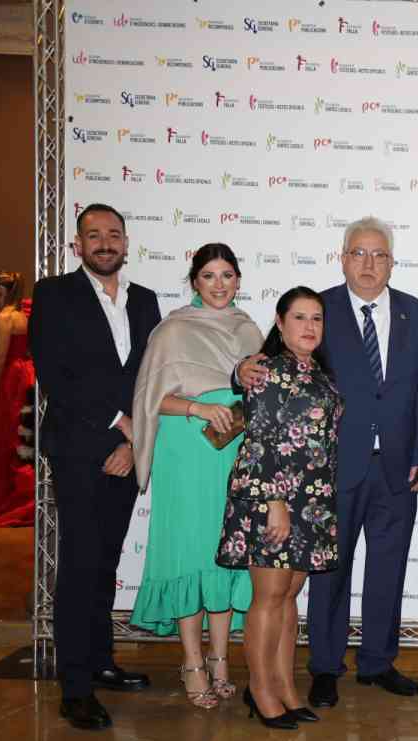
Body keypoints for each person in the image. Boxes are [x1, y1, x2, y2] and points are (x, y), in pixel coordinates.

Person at [241, 217, 418, 706]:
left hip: (398, 466)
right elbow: (272, 362)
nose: (369, 264)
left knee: (389, 568)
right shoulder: (319, 309)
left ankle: (378, 661)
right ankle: (325, 666)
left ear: (392, 262)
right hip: (329, 469)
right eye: (359, 253)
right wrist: (237, 370)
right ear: (343, 258)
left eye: (379, 255)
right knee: (329, 570)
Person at [29, 203, 161, 730]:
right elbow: (55, 374)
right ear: (77, 245)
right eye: (94, 235)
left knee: (106, 562)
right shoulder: (53, 295)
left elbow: (151, 376)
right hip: (79, 450)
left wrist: (135, 439)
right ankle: (75, 686)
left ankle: (102, 660)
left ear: (126, 243)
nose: (105, 243)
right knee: (80, 565)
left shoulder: (145, 300)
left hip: (128, 450)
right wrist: (119, 423)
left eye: (113, 234)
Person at [128, 244, 263, 709]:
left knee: (225, 555)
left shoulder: (249, 331)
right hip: (185, 453)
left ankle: (220, 660)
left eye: (227, 275)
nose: (219, 284)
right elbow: (149, 399)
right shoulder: (173, 330)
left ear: (238, 280)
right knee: (190, 554)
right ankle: (191, 663)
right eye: (209, 275)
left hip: (232, 453)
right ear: (194, 282)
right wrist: (198, 408)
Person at [217, 286, 342, 729]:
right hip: (273, 499)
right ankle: (261, 690)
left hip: (311, 501)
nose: (310, 326)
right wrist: (275, 503)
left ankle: (286, 687)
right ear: (280, 322)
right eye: (300, 317)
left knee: (289, 597)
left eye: (317, 318)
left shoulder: (319, 373)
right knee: (269, 598)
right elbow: (261, 440)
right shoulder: (268, 371)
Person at [0, 271, 34, 518]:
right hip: (25, 376)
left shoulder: (5, 318)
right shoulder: (24, 316)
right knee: (15, 437)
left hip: (8, 379)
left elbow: (0, 356)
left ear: (0, 290)